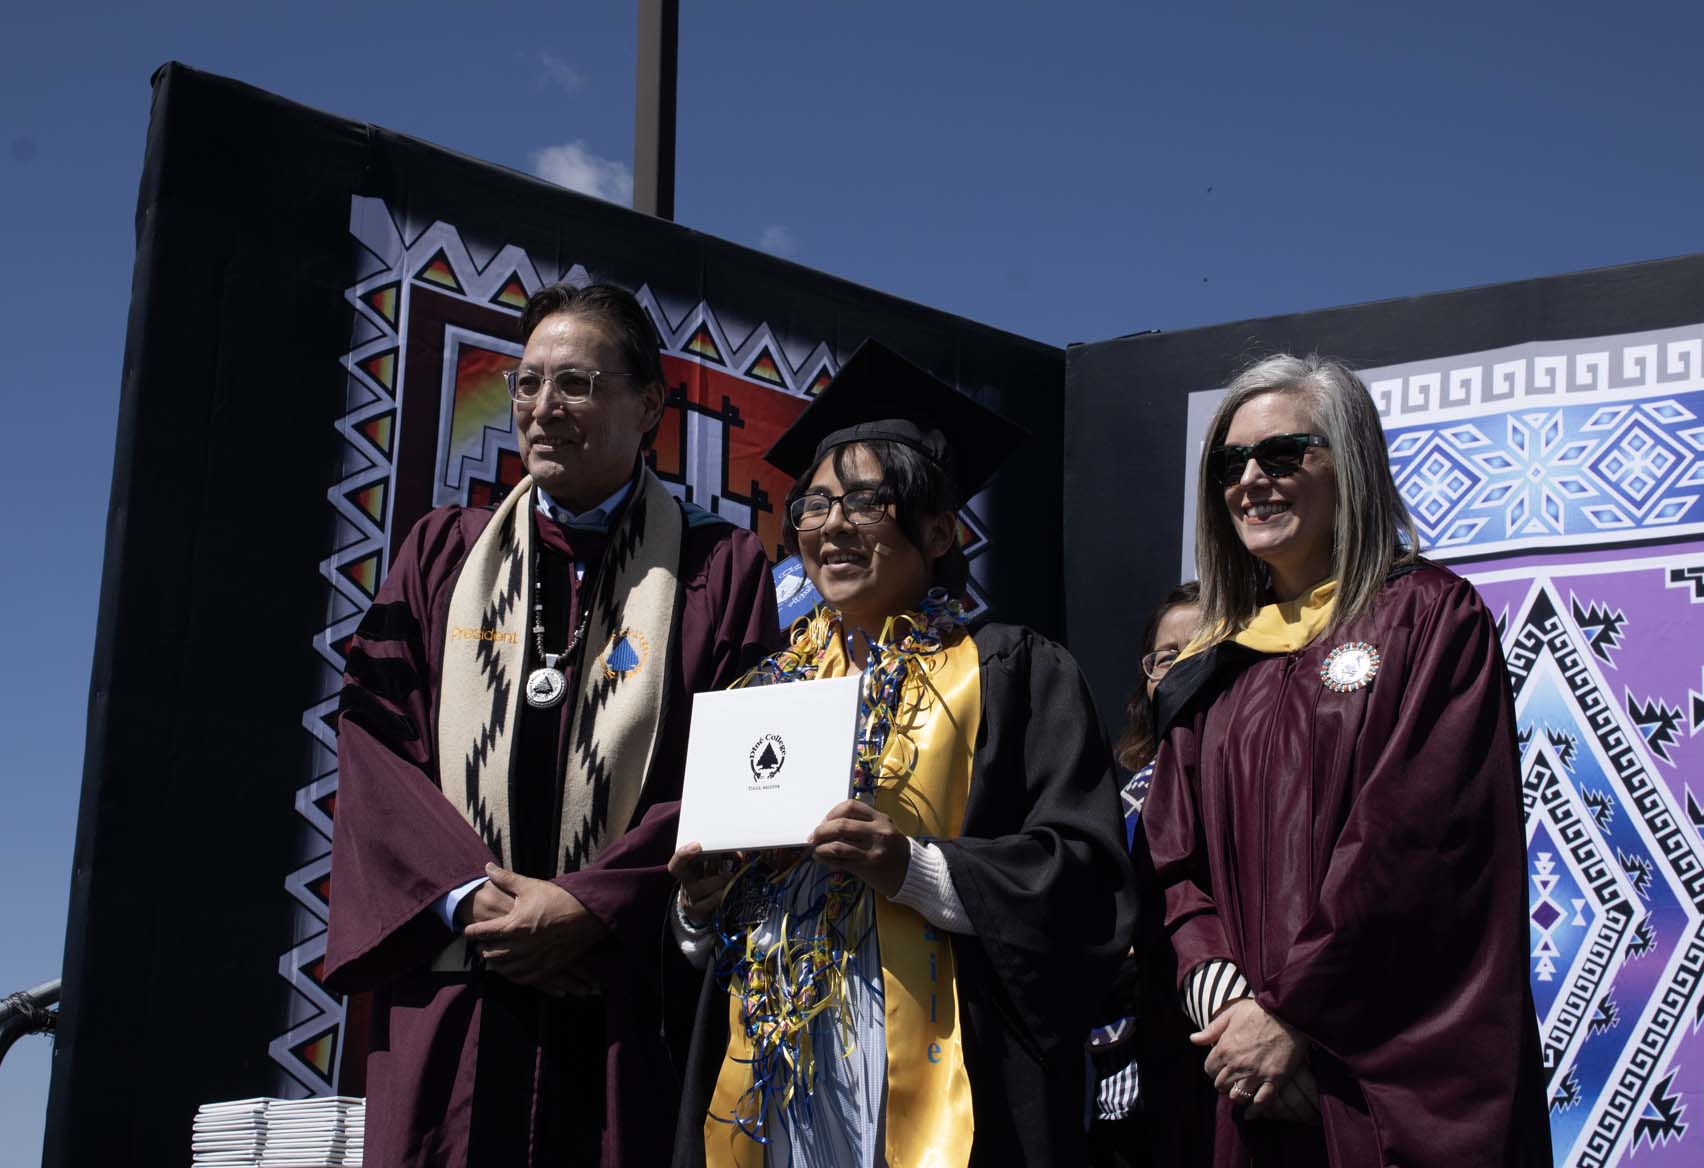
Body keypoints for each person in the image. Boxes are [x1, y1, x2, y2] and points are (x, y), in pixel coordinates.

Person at [323, 282, 782, 1168]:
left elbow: (732, 776)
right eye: (526, 383)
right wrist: (475, 902)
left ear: (649, 404)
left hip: (619, 1000)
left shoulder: (717, 566)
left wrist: (586, 906)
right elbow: (376, 747)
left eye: (575, 383)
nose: (541, 408)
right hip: (456, 986)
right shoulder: (441, 554)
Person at [666, 340, 1134, 1167]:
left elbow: (1086, 883)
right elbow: (712, 946)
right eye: (812, 506)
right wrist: (701, 909)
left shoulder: (1013, 670)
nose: (832, 526)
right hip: (770, 1078)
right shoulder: (757, 695)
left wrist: (911, 869)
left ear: (941, 528)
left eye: (867, 502)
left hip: (938, 1064)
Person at [1138, 354, 1550, 1166]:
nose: (1252, 479)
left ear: (1351, 463)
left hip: (1380, 1073)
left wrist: (1294, 1020)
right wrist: (1230, 1009)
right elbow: (1172, 861)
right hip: (1238, 1073)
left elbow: (1416, 843)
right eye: (1230, 463)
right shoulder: (1212, 668)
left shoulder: (1428, 619)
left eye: (1284, 454)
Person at [1089, 582, 1199, 1168]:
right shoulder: (1118, 794)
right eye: (1164, 655)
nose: (1180, 665)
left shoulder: (1264, 770)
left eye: (1201, 644)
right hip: (1126, 1069)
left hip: (1221, 1056)